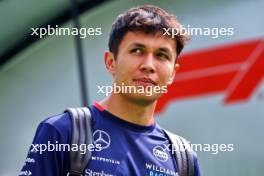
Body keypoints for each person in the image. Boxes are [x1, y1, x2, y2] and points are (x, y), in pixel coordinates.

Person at [20, 4, 201, 176]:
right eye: (137, 51)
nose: (148, 65)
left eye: (161, 55)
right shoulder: (61, 131)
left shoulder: (183, 158)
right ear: (110, 62)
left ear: (172, 73)